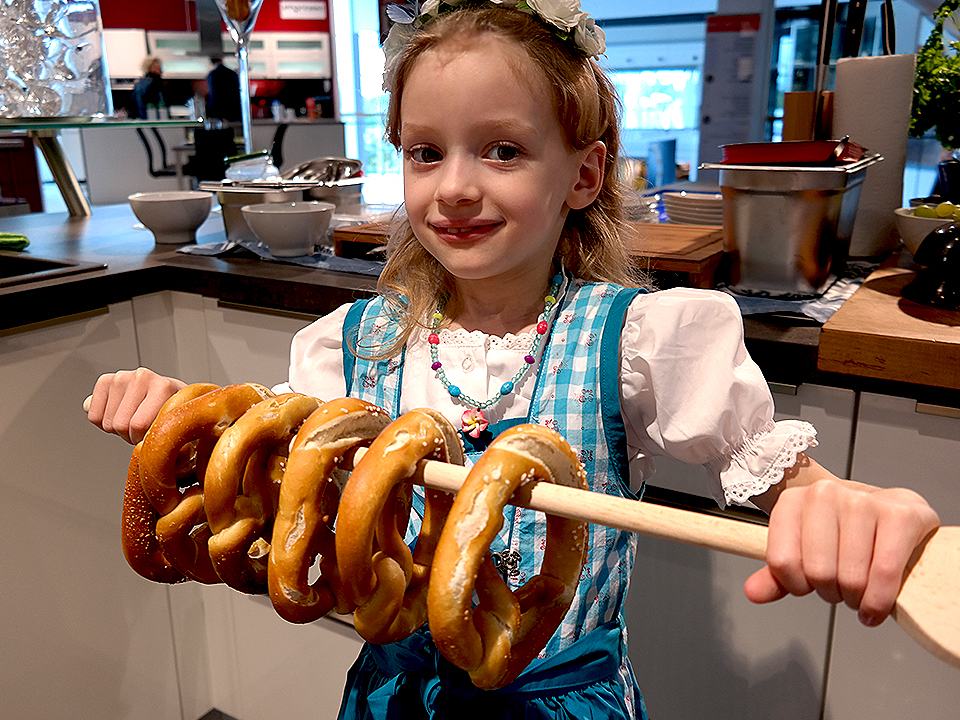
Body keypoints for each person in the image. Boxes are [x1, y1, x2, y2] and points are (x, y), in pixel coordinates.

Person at [87, 3, 940, 718]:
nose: (455, 186)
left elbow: (801, 490)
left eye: (502, 150)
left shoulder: (634, 343)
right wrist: (176, 416)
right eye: (426, 152)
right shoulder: (355, 345)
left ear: (584, 174)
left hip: (561, 704)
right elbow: (264, 472)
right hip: (394, 700)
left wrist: (847, 508)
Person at [206, 55, 242, 122]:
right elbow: (237, 93)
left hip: (217, 110)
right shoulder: (232, 73)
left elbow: (212, 94)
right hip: (233, 110)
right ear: (221, 61)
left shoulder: (212, 75)